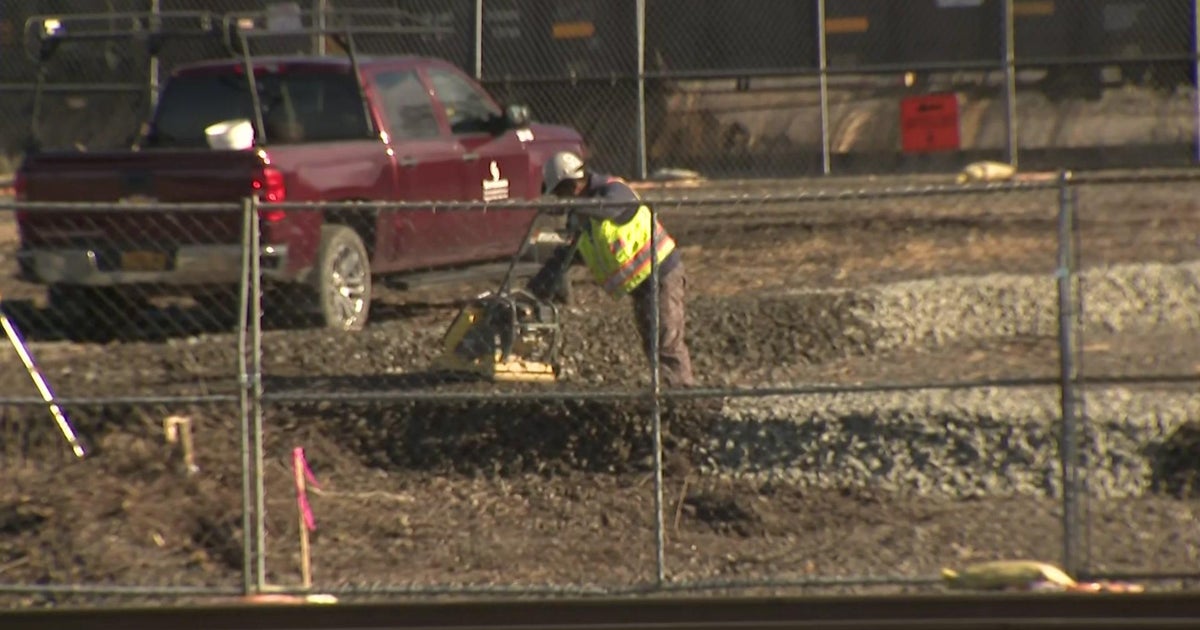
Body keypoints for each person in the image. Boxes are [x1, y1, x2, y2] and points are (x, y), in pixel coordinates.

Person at [527, 151, 696, 389]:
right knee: (652, 341)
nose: (560, 200)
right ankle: (664, 393)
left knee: (665, 340)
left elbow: (611, 210)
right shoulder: (581, 216)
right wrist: (539, 287)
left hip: (661, 272)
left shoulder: (613, 191)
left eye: (561, 193)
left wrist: (578, 208)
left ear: (574, 185)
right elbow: (570, 252)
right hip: (640, 282)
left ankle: (681, 395)